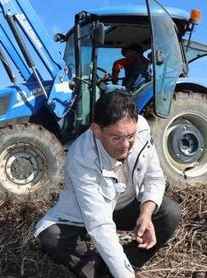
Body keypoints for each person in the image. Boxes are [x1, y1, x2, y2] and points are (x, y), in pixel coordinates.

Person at [35, 91, 182, 278]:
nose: (125, 145)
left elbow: (154, 178)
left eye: (130, 136)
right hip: (86, 212)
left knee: (170, 213)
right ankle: (100, 271)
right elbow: (99, 224)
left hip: (124, 206)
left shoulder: (142, 129)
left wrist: (145, 214)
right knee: (51, 235)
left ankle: (128, 264)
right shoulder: (81, 156)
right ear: (97, 130)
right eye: (116, 137)